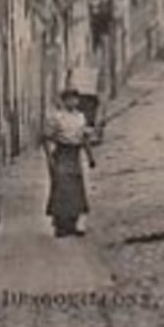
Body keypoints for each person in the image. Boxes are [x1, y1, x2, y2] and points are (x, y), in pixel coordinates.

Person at [43, 88, 97, 237]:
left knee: (76, 190)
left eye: (75, 99)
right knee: (61, 189)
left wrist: (90, 157)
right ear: (63, 100)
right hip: (61, 153)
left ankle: (73, 224)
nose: (72, 102)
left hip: (75, 155)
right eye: (69, 99)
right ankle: (60, 225)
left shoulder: (80, 117)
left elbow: (84, 139)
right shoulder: (57, 117)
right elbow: (46, 139)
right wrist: (49, 160)